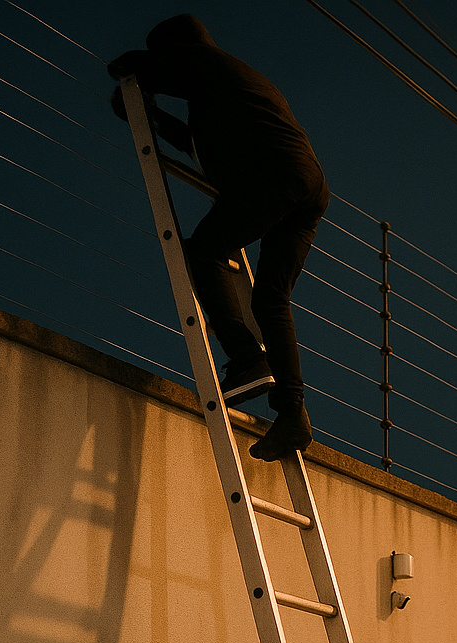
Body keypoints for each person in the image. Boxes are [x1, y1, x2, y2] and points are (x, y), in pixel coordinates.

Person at [108, 14, 327, 462]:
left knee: (205, 250)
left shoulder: (208, 64)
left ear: (180, 51)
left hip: (275, 174)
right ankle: (293, 415)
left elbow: (131, 66)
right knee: (270, 299)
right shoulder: (224, 88)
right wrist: (149, 115)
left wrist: (133, 79)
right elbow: (195, 141)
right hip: (306, 182)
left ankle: (247, 359)